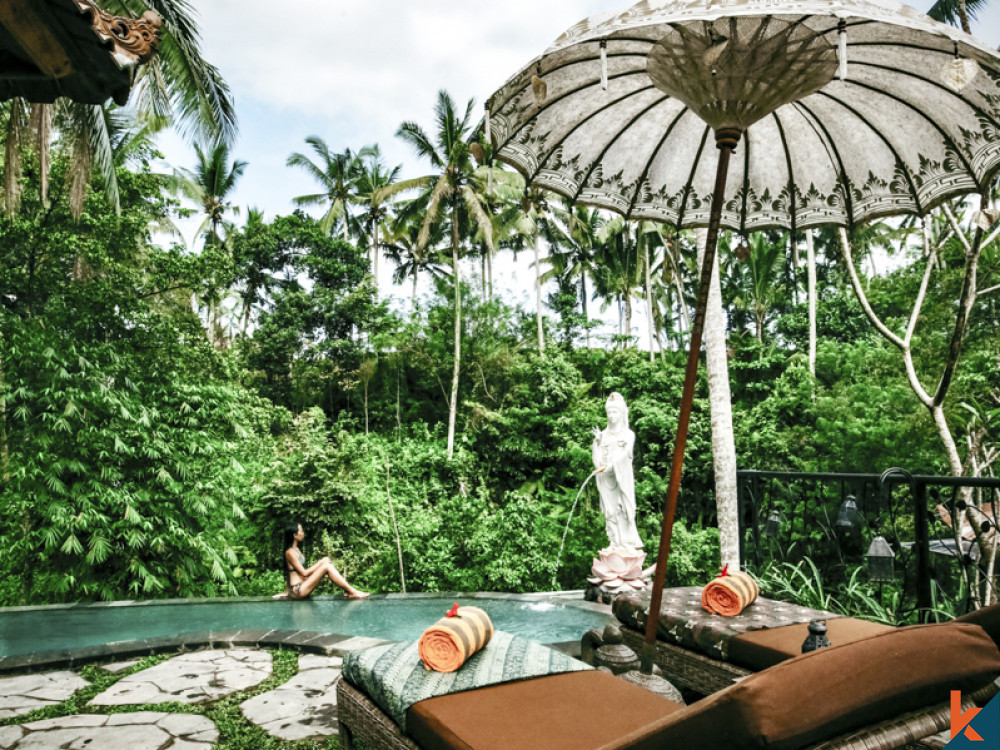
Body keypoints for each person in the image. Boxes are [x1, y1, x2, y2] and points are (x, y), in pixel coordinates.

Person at [592, 392, 643, 551]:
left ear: (622, 414)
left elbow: (625, 455)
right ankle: (614, 543)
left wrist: (611, 465)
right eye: (609, 413)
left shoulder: (628, 435)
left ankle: (628, 544)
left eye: (615, 412)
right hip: (606, 480)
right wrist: (598, 442)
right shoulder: (603, 435)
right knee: (610, 512)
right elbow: (597, 458)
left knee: (624, 510)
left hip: (621, 479)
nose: (612, 416)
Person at [274, 523, 369, 600]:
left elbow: (290, 571)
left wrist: (286, 592)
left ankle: (349, 591)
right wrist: (321, 562)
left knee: (326, 564)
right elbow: (304, 573)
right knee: (325, 565)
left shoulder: (297, 549)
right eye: (301, 531)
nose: (303, 533)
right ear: (295, 535)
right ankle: (352, 592)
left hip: (302, 586)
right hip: (298, 590)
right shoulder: (289, 552)